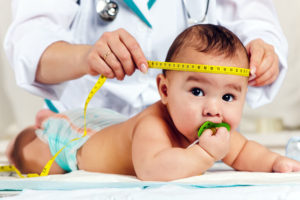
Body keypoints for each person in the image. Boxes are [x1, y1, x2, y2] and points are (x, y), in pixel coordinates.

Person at [6, 24, 300, 181]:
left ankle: (53, 120)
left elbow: (245, 151)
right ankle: (31, 134)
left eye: (228, 97)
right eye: (197, 91)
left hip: (108, 125)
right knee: (32, 156)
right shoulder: (153, 125)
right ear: (165, 89)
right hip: (76, 147)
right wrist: (205, 157)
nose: (213, 108)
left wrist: (275, 162)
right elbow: (152, 169)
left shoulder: (213, 131)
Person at [4, 0, 287, 116]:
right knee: (34, 147)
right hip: (85, 130)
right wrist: (85, 57)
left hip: (189, 135)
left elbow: (254, 20)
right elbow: (30, 44)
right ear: (163, 88)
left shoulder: (217, 137)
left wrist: (263, 52)